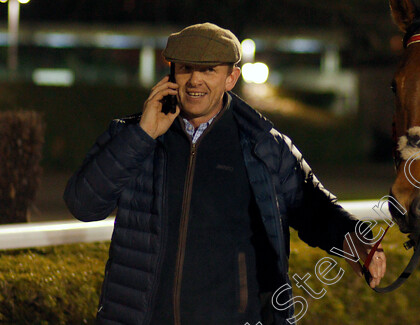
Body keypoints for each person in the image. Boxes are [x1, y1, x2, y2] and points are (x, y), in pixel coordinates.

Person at [64, 22, 385, 325]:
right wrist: (143, 135)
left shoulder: (264, 145)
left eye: (208, 70)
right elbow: (84, 204)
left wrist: (355, 241)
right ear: (171, 72)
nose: (195, 80)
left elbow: (313, 207)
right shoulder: (132, 136)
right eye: (186, 68)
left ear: (231, 78)